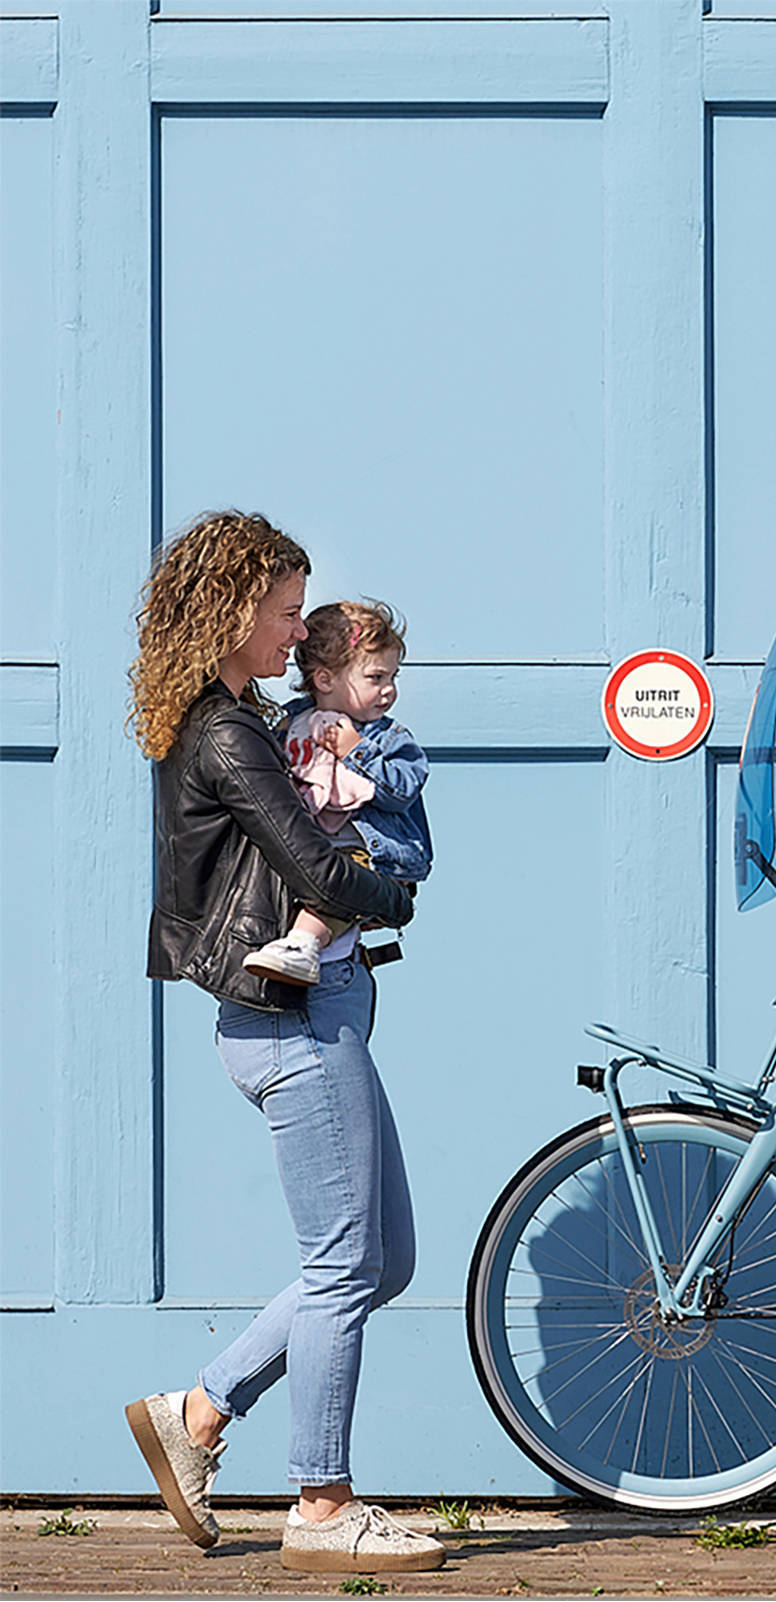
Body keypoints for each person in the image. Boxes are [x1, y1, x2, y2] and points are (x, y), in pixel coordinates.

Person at [123, 510, 445, 1576]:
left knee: (380, 1258)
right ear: (231, 612)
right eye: (285, 612)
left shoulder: (249, 718)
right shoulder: (228, 735)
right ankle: (321, 1500)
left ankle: (199, 1414)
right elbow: (317, 869)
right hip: (289, 1019)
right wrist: (397, 887)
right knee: (345, 1266)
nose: (296, 634)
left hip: (326, 1008)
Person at [244, 599, 432, 988]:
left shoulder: (388, 737)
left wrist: (355, 751)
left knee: (342, 877)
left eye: (393, 677)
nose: (389, 691)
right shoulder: (292, 725)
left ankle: (303, 945)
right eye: (376, 678)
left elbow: (402, 790)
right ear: (326, 680)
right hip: (307, 848)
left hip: (364, 852)